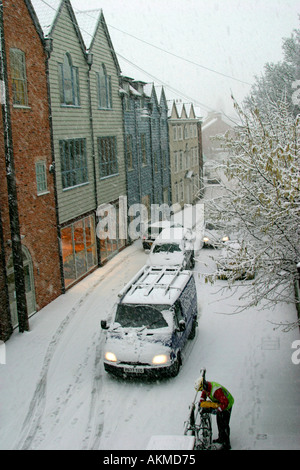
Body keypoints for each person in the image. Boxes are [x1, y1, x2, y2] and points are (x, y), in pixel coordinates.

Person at [195, 375, 234, 450]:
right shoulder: (207, 388)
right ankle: (221, 438)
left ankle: (226, 444)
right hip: (220, 403)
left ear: (204, 386)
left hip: (227, 405)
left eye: (202, 389)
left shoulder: (216, 390)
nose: (202, 391)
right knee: (219, 422)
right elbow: (203, 395)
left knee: (224, 424)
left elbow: (225, 403)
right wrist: (201, 402)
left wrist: (217, 410)